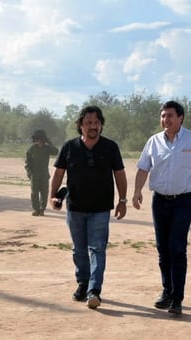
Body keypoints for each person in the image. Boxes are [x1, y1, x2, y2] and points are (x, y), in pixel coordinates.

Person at [132, 100, 191, 315]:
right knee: (163, 249)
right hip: (159, 201)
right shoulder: (154, 141)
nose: (165, 120)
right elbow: (143, 168)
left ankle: (177, 297)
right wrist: (137, 191)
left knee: (177, 248)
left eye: (169, 115)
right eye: (163, 116)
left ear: (180, 118)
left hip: (184, 201)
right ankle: (166, 291)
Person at [49, 105, 128, 309]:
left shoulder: (110, 147)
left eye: (96, 123)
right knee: (79, 250)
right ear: (80, 126)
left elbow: (119, 174)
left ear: (101, 125)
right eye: (88, 123)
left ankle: (94, 290)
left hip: (101, 209)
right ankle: (83, 284)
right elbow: (58, 173)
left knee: (97, 249)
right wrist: (52, 196)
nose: (93, 126)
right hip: (75, 208)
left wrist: (122, 200)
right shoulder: (69, 147)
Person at [25, 129, 59, 216]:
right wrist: (30, 173)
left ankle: (42, 209)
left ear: (42, 139)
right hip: (34, 174)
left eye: (39, 139)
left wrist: (49, 143)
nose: (38, 141)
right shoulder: (31, 149)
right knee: (34, 193)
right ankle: (36, 209)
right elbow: (27, 163)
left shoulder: (47, 148)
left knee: (44, 193)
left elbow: (56, 151)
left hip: (44, 174)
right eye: (36, 139)